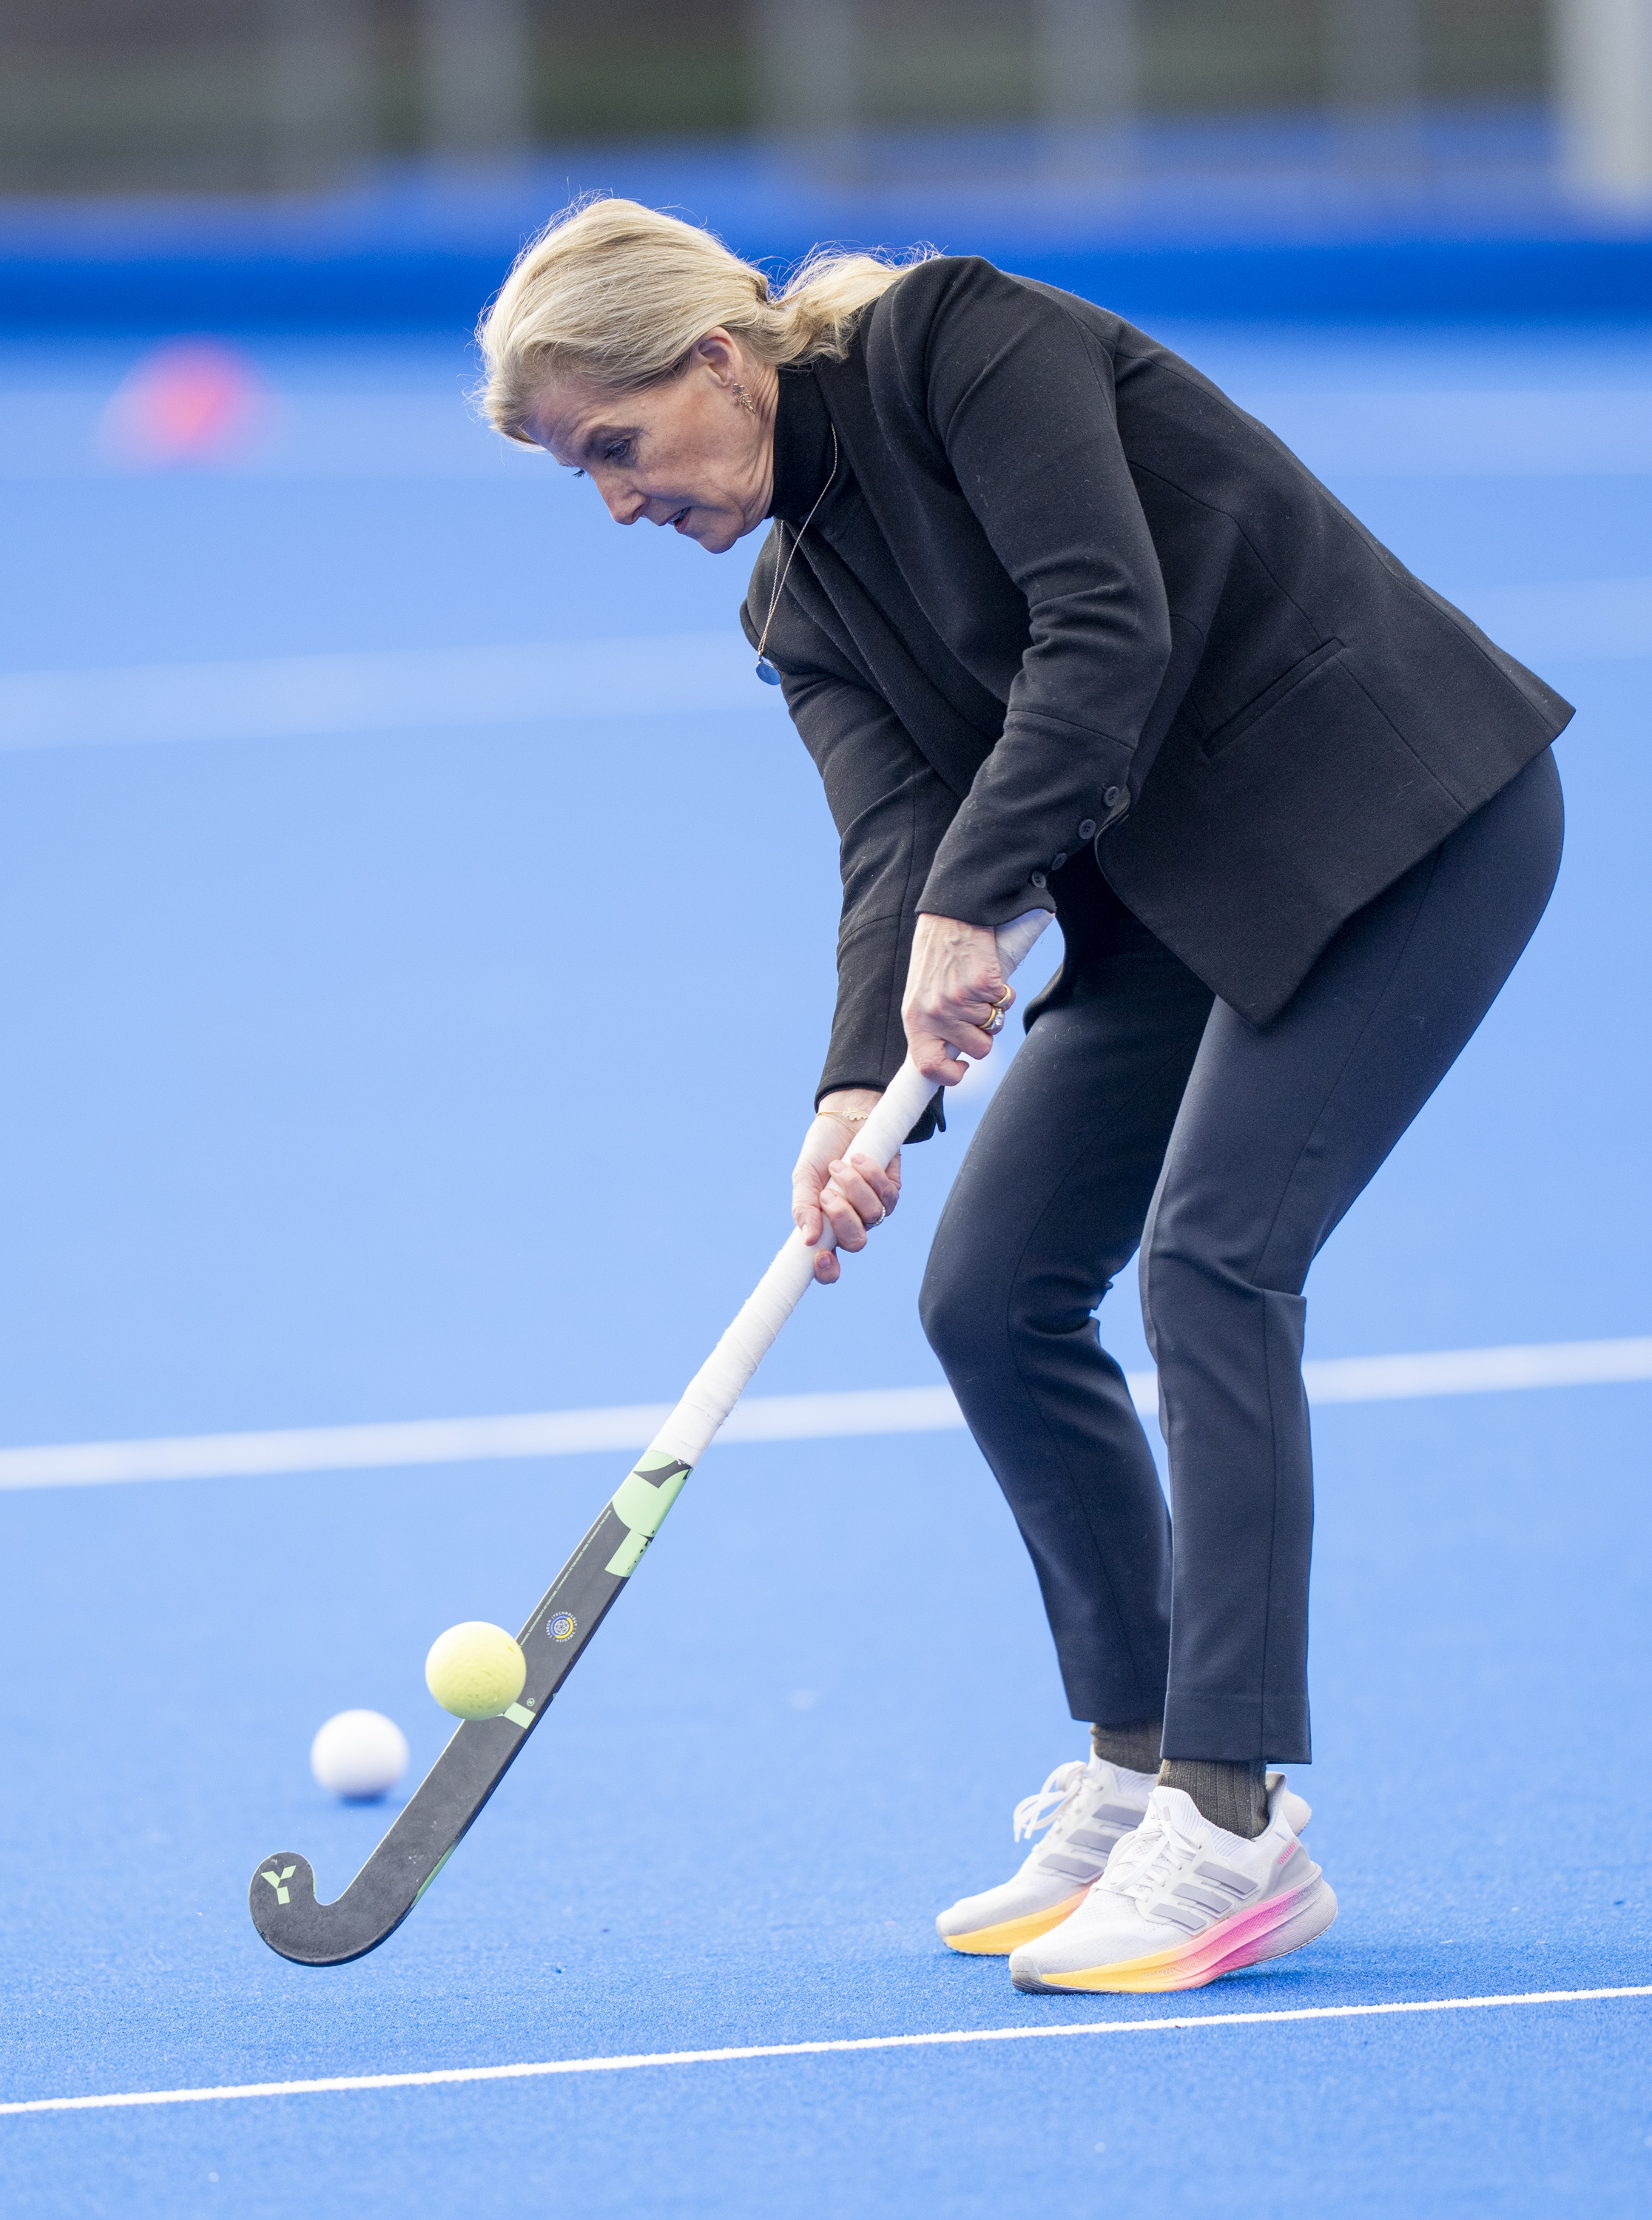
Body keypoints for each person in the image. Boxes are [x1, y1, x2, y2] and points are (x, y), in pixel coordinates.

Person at [477, 198, 1568, 1996]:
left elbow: (1100, 626)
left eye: (617, 445)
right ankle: (1135, 1765)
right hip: (1176, 900)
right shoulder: (793, 596)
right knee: (986, 1296)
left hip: (1397, 820)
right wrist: (853, 1092)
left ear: (714, 358)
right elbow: (891, 846)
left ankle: (1228, 1821)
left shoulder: (964, 343)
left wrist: (978, 903)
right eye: (576, 476)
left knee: (1213, 1264)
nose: (615, 502)